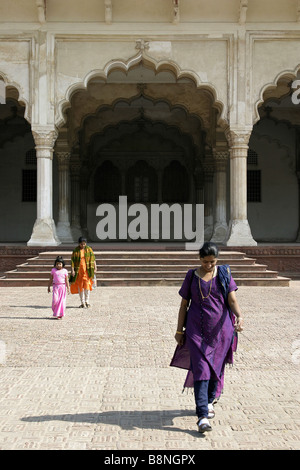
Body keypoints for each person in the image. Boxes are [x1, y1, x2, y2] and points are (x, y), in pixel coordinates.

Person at [171, 242, 244, 434]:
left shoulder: (224, 273)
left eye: (212, 262)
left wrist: (240, 316)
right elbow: (183, 305)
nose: (209, 265)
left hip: (221, 331)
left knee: (216, 368)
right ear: (200, 259)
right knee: (202, 369)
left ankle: (210, 400)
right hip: (196, 331)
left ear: (217, 259)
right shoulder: (191, 276)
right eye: (205, 262)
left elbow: (232, 299)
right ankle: (202, 415)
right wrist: (180, 331)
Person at [70, 237, 97, 308]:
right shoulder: (76, 250)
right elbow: (72, 261)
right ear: (79, 244)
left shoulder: (89, 249)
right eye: (82, 244)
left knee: (87, 286)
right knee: (80, 286)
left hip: (87, 271)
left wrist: (95, 267)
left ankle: (87, 301)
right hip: (79, 272)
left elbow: (93, 259)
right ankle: (82, 302)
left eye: (84, 244)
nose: (83, 245)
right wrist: (72, 270)